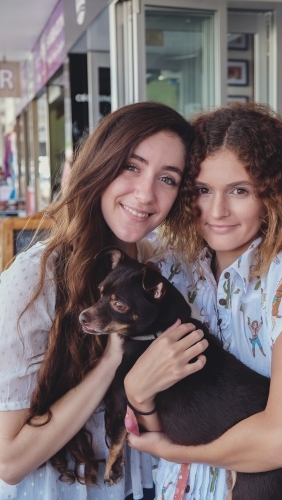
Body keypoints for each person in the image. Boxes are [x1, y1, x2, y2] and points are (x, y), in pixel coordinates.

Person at [0, 101, 208, 500]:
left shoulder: (157, 267)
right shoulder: (35, 279)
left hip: (142, 483)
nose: (146, 194)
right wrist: (112, 358)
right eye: (132, 166)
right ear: (102, 164)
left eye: (167, 178)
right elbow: (9, 462)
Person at [124, 103, 282, 500]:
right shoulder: (170, 271)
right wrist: (138, 396)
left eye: (240, 190)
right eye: (203, 190)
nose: (217, 211)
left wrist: (173, 449)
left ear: (273, 195)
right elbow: (157, 418)